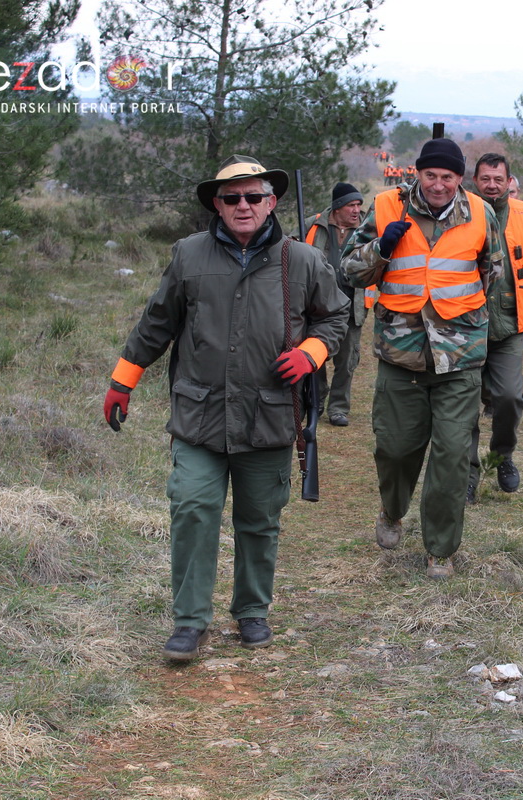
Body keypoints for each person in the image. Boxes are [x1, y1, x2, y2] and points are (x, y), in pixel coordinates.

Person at [102, 154, 348, 661]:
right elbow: (156, 323)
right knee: (192, 509)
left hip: (270, 413)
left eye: (254, 197)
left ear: (271, 202)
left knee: (259, 518)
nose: (243, 206)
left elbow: (336, 318)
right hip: (199, 416)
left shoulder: (300, 261)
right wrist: (123, 380)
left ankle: (251, 610)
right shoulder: (189, 255)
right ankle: (189, 621)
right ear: (217, 203)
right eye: (232, 198)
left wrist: (311, 354)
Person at [343, 138, 504, 579]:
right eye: (430, 175)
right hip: (402, 353)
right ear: (416, 172)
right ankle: (392, 509)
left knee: (452, 455)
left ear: (460, 179)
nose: (438, 185)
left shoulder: (481, 214)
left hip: (460, 356)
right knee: (395, 448)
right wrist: (382, 249)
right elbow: (349, 270)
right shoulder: (385, 208)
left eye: (447, 177)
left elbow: (491, 273)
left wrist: (464, 328)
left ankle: (440, 549)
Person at [466, 153, 523, 502]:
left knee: (509, 398)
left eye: (497, 179)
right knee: (463, 404)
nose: (491, 185)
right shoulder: (461, 212)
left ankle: (501, 455)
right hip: (463, 327)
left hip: (510, 326)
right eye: (485, 178)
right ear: (475, 180)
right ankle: (467, 473)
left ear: (508, 182)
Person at [304, 181, 368, 427]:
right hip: (317, 305)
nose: (356, 210)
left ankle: (339, 408)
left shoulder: (366, 227)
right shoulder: (312, 224)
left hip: (352, 305)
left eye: (358, 205)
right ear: (337, 207)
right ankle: (316, 400)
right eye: (351, 205)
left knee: (347, 360)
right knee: (315, 354)